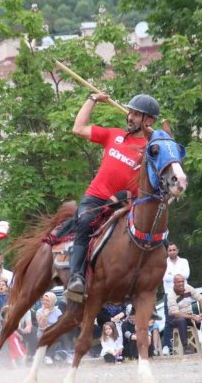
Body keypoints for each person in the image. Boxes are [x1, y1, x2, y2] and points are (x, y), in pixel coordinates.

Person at [66, 93, 160, 298]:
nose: (130, 117)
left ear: (149, 120)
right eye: (130, 112)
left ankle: (145, 290)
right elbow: (78, 128)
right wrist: (92, 99)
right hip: (96, 197)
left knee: (157, 237)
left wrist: (156, 137)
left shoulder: (153, 146)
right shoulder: (113, 135)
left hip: (128, 202)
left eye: (137, 114)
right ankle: (76, 279)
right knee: (83, 222)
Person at [165, 274, 202, 354]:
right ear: (174, 283)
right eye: (179, 282)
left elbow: (200, 298)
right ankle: (186, 347)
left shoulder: (188, 288)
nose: (181, 283)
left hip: (189, 316)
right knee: (181, 320)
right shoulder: (171, 295)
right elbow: (176, 313)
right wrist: (192, 317)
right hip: (175, 319)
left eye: (182, 281)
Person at [161, 242, 190, 353]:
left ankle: (188, 346)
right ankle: (166, 346)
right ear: (167, 251)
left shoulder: (184, 261)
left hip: (183, 294)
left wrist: (172, 275)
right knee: (168, 320)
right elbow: (164, 276)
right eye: (170, 250)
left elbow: (186, 275)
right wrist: (178, 275)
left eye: (174, 250)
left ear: (177, 250)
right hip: (169, 295)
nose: (172, 252)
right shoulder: (164, 262)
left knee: (186, 316)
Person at [35, 292, 62, 364]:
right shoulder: (39, 311)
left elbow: (60, 324)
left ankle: (63, 354)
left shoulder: (58, 311)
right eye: (44, 300)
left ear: (52, 301)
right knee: (51, 335)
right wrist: (45, 315)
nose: (45, 302)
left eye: (47, 300)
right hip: (42, 333)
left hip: (55, 331)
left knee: (64, 334)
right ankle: (48, 356)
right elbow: (42, 326)